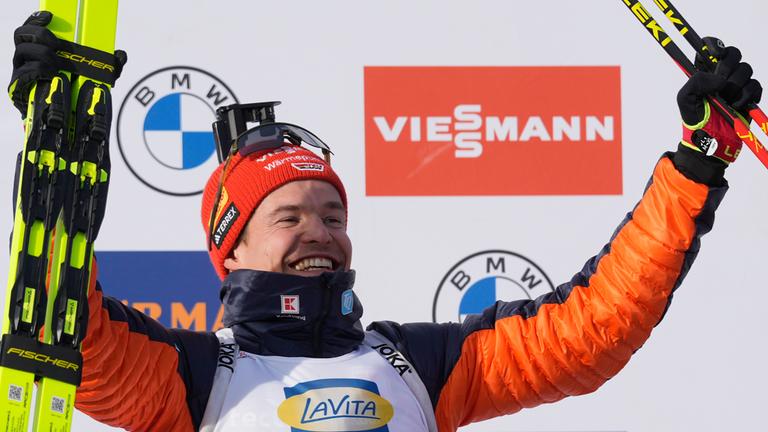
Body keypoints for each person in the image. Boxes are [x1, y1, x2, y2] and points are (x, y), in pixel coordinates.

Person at [6, 12, 762, 432]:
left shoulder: (423, 363)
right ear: (229, 252)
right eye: (289, 216)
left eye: (333, 213)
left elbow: (594, 325)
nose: (320, 231)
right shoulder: (194, 377)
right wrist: (54, 137)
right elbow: (65, 329)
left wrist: (697, 161)